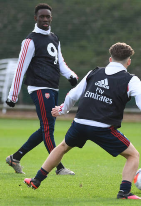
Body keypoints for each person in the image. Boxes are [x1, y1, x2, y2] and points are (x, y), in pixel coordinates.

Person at [23, 42, 141, 200]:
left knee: (62, 147)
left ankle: (36, 180)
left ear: (110, 59)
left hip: (80, 123)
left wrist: (62, 109)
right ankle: (124, 193)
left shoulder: (94, 72)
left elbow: (73, 94)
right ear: (128, 62)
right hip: (103, 128)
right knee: (133, 155)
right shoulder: (131, 80)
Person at [5, 3, 78, 175]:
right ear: (35, 18)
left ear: (51, 18)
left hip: (53, 87)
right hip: (39, 87)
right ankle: (59, 168)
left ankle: (15, 158)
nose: (45, 19)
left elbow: (60, 62)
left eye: (47, 16)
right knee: (48, 128)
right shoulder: (30, 40)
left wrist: (71, 76)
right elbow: (20, 68)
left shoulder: (54, 38)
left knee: (46, 128)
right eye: (41, 16)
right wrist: (13, 95)